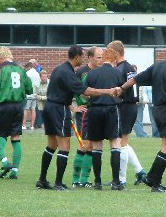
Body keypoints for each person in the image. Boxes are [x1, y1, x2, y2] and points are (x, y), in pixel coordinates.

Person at [35, 45, 117, 191]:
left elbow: (60, 90)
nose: (83, 59)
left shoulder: (59, 69)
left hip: (49, 108)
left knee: (51, 146)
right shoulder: (68, 73)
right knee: (64, 146)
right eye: (82, 56)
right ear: (77, 57)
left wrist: (72, 107)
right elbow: (86, 91)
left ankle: (42, 179)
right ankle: (58, 183)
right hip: (59, 110)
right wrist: (107, 91)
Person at [119, 41, 166, 192]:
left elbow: (136, 79)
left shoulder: (157, 66)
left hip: (157, 110)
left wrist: (121, 88)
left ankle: (152, 178)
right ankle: (153, 181)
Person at [0, 46, 33, 179]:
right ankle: (14, 173)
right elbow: (29, 89)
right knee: (15, 137)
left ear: (0, 56)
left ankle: (5, 162)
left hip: (4, 105)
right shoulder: (20, 69)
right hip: (19, 107)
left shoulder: (0, 68)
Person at [108, 40, 146, 186]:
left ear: (116, 53)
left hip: (125, 106)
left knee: (121, 143)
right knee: (123, 142)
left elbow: (124, 89)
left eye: (109, 52)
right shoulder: (127, 67)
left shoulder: (122, 68)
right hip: (128, 106)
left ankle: (121, 179)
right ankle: (140, 171)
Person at [85, 48, 124, 190]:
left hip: (94, 111)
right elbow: (122, 94)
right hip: (111, 110)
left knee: (96, 147)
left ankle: (97, 182)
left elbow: (85, 93)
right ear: (114, 60)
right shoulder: (118, 73)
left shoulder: (92, 73)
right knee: (115, 144)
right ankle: (115, 182)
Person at [71, 46, 103, 188]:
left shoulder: (101, 72)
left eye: (102, 57)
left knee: (91, 146)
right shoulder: (80, 73)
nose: (101, 60)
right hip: (85, 113)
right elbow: (67, 91)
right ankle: (76, 179)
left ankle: (83, 181)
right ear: (90, 57)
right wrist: (73, 107)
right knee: (86, 145)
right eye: (98, 57)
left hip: (97, 113)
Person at [22, 62, 40, 130]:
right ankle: (32, 125)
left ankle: (24, 125)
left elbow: (25, 83)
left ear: (28, 67)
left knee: (25, 109)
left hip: (28, 94)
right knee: (33, 109)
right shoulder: (37, 74)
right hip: (35, 94)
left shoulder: (28, 73)